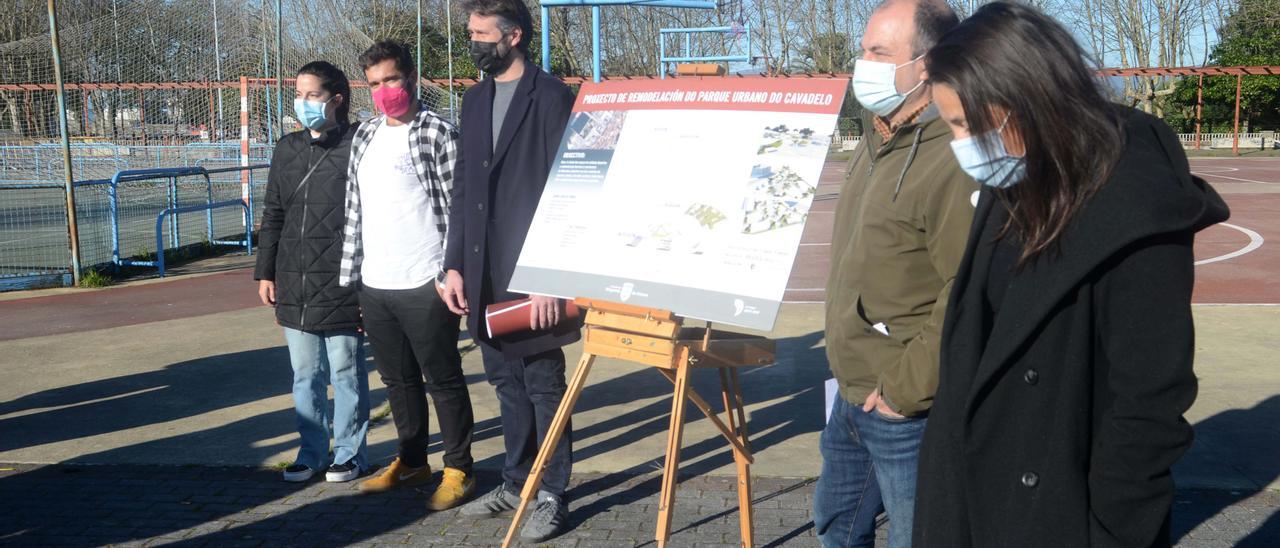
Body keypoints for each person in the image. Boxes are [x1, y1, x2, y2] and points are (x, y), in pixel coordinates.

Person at [913, 3, 1229, 546]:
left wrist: (1111, 531)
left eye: (966, 124)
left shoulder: (1136, 207)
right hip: (976, 496)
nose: (961, 143)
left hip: (1064, 513)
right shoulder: (1018, 176)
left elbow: (1149, 404)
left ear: (1024, 102)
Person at [814, 1, 972, 546]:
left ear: (927, 64)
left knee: (918, 537)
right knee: (836, 527)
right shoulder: (877, 137)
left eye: (879, 53)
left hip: (904, 407)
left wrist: (905, 391)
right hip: (850, 391)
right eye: (864, 51)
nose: (863, 64)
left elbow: (964, 289)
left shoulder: (952, 156)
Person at [442, 0, 579, 541]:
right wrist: (453, 265)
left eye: (481, 32)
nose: (473, 41)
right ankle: (516, 479)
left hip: (533, 273)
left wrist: (550, 275)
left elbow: (569, 187)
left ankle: (551, 493)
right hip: (480, 272)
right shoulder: (473, 101)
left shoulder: (551, 97)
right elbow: (463, 189)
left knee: (544, 383)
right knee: (504, 381)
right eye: (470, 31)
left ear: (514, 35)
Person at [337, 39, 476, 511]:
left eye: (391, 79)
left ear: (412, 78)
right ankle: (413, 460)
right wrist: (353, 279)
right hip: (375, 282)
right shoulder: (364, 136)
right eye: (374, 83)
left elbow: (460, 210)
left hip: (426, 280)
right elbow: (355, 210)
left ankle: (459, 468)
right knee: (397, 382)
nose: (383, 90)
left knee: (443, 378)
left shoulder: (438, 133)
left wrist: (452, 270)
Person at [254, 61, 369, 484]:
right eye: (298, 95)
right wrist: (266, 272)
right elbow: (274, 211)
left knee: (345, 372)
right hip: (294, 280)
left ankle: (350, 453)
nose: (302, 103)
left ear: (336, 99)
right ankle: (311, 452)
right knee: (306, 375)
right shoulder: (286, 148)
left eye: (312, 95)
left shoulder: (359, 143)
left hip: (342, 279)